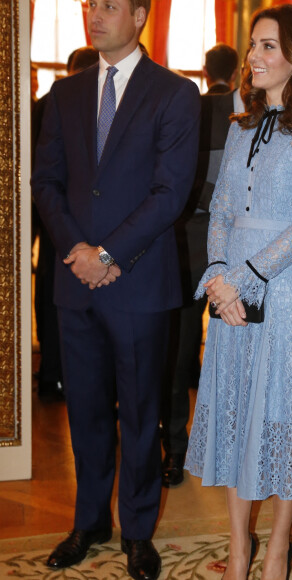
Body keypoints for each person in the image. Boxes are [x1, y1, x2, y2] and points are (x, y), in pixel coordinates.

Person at [31, 0, 200, 578]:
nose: (93, 14)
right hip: (76, 285)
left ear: (139, 14)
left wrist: (107, 254)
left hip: (138, 283)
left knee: (140, 414)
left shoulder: (174, 94)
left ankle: (137, 530)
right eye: (87, 4)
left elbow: (170, 192)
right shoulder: (65, 94)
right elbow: (46, 181)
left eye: (107, 6)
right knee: (85, 413)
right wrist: (78, 252)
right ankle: (89, 521)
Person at [184, 5, 292, 579]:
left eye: (268, 46)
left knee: (283, 422)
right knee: (239, 416)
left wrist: (242, 278)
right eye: (252, 46)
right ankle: (239, 549)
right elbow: (220, 207)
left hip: (287, 293)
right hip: (230, 296)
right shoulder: (240, 123)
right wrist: (219, 278)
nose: (255, 57)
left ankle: (275, 553)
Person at [162, 44, 239, 488]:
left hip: (254, 256)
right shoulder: (203, 108)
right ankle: (175, 446)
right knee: (179, 352)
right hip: (191, 246)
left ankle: (233, 448)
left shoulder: (287, 117)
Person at [32, 46, 100, 402]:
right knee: (53, 298)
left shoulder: (47, 103)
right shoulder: (53, 103)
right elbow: (42, 176)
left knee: (50, 297)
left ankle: (53, 374)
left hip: (62, 227)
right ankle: (55, 374)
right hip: (61, 226)